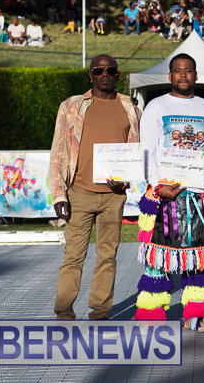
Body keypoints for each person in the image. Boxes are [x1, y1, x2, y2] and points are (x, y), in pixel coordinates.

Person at [134, 53, 204, 332]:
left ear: (196, 75)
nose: (183, 75)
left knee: (198, 261)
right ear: (170, 76)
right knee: (157, 259)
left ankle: (197, 315)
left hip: (200, 195)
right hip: (164, 194)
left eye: (188, 71)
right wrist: (156, 184)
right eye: (178, 71)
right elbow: (147, 149)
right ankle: (152, 315)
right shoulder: (156, 106)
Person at [49, 55, 141, 320]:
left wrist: (126, 178)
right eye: (98, 70)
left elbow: (136, 150)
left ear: (117, 74)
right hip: (78, 192)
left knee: (107, 257)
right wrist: (59, 193)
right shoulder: (71, 106)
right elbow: (58, 151)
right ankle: (63, 311)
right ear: (90, 75)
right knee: (73, 257)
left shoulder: (130, 109)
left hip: (114, 196)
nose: (104, 74)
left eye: (110, 70)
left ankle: (100, 311)